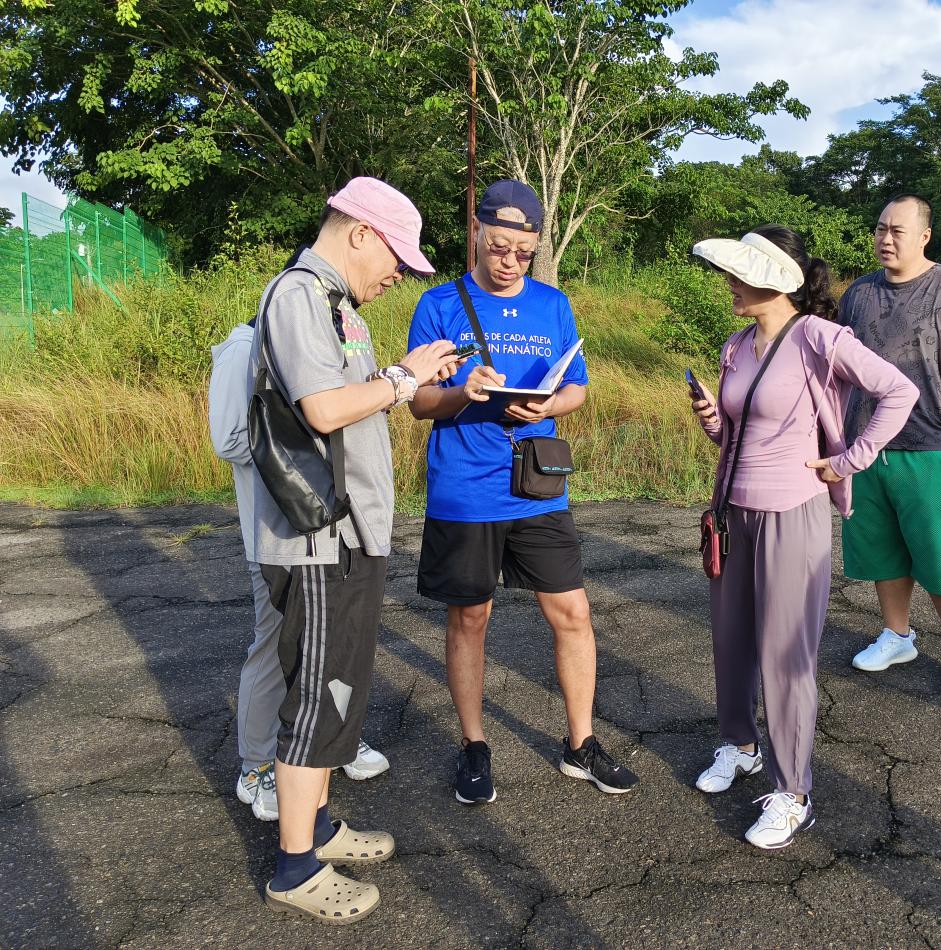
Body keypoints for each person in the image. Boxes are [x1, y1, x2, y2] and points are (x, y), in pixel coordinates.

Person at [248, 176, 463, 924]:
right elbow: (322, 407)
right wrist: (404, 378)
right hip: (319, 537)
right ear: (361, 232)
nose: (398, 272)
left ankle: (321, 828)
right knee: (318, 699)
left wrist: (406, 376)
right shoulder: (301, 294)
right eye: (396, 255)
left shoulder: (334, 303)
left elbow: (350, 398)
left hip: (349, 533)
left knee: (340, 694)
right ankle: (294, 865)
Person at [408, 179, 638, 806]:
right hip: (464, 488)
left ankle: (580, 744)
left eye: (523, 251)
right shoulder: (438, 303)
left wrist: (547, 402)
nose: (509, 261)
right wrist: (463, 393)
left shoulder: (552, 304)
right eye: (500, 246)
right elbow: (418, 401)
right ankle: (474, 746)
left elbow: (578, 388)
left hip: (538, 485)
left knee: (573, 613)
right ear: (477, 232)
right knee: (470, 617)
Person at [688, 226, 917, 849]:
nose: (730, 284)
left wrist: (850, 459)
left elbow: (900, 391)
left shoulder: (819, 337)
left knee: (787, 657)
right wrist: (714, 420)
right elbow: (734, 437)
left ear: (775, 278)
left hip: (796, 512)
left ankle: (793, 792)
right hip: (734, 511)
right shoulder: (736, 346)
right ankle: (739, 745)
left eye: (740, 273)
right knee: (732, 642)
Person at [208, 281, 393, 825]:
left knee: (326, 647)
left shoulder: (328, 331)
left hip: (329, 528)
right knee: (276, 643)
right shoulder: (246, 347)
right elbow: (231, 440)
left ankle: (329, 741)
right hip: (280, 530)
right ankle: (257, 763)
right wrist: (301, 437)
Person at [836, 194, 941, 697]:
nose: (885, 238)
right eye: (880, 228)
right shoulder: (858, 294)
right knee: (882, 550)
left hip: (931, 440)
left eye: (897, 231)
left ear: (924, 235)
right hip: (867, 445)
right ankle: (896, 633)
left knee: (940, 551)